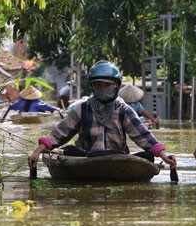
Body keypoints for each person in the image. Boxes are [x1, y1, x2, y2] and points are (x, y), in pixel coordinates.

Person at [28, 60, 176, 170]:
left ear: (116, 85)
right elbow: (60, 133)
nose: (103, 89)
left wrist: (163, 155)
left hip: (118, 159)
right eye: (98, 85)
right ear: (93, 86)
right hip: (87, 159)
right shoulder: (82, 109)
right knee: (69, 151)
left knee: (148, 157)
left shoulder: (124, 110)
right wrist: (38, 151)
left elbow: (143, 135)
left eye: (107, 85)